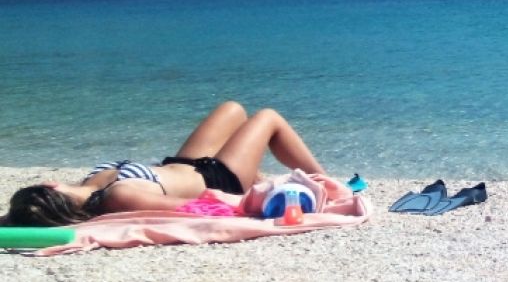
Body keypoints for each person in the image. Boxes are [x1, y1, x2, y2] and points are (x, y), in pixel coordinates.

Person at [3, 101, 328, 227]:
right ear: (49, 186)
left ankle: (255, 173)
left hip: (185, 163)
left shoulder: (92, 187)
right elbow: (196, 207)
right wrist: (251, 204)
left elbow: (12, 220)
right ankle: (325, 183)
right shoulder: (118, 196)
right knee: (268, 118)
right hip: (219, 179)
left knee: (233, 110)